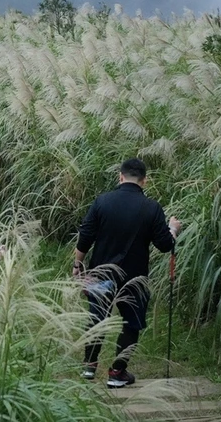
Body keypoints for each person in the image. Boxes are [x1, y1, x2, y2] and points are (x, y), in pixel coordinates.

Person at [72, 158, 180, 387]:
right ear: (144, 181)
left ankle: (89, 366)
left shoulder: (102, 202)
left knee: (97, 318)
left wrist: (77, 266)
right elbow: (164, 245)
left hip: (101, 273)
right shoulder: (151, 208)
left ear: (120, 177)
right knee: (131, 322)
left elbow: (85, 236)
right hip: (134, 278)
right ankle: (117, 372)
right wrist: (173, 229)